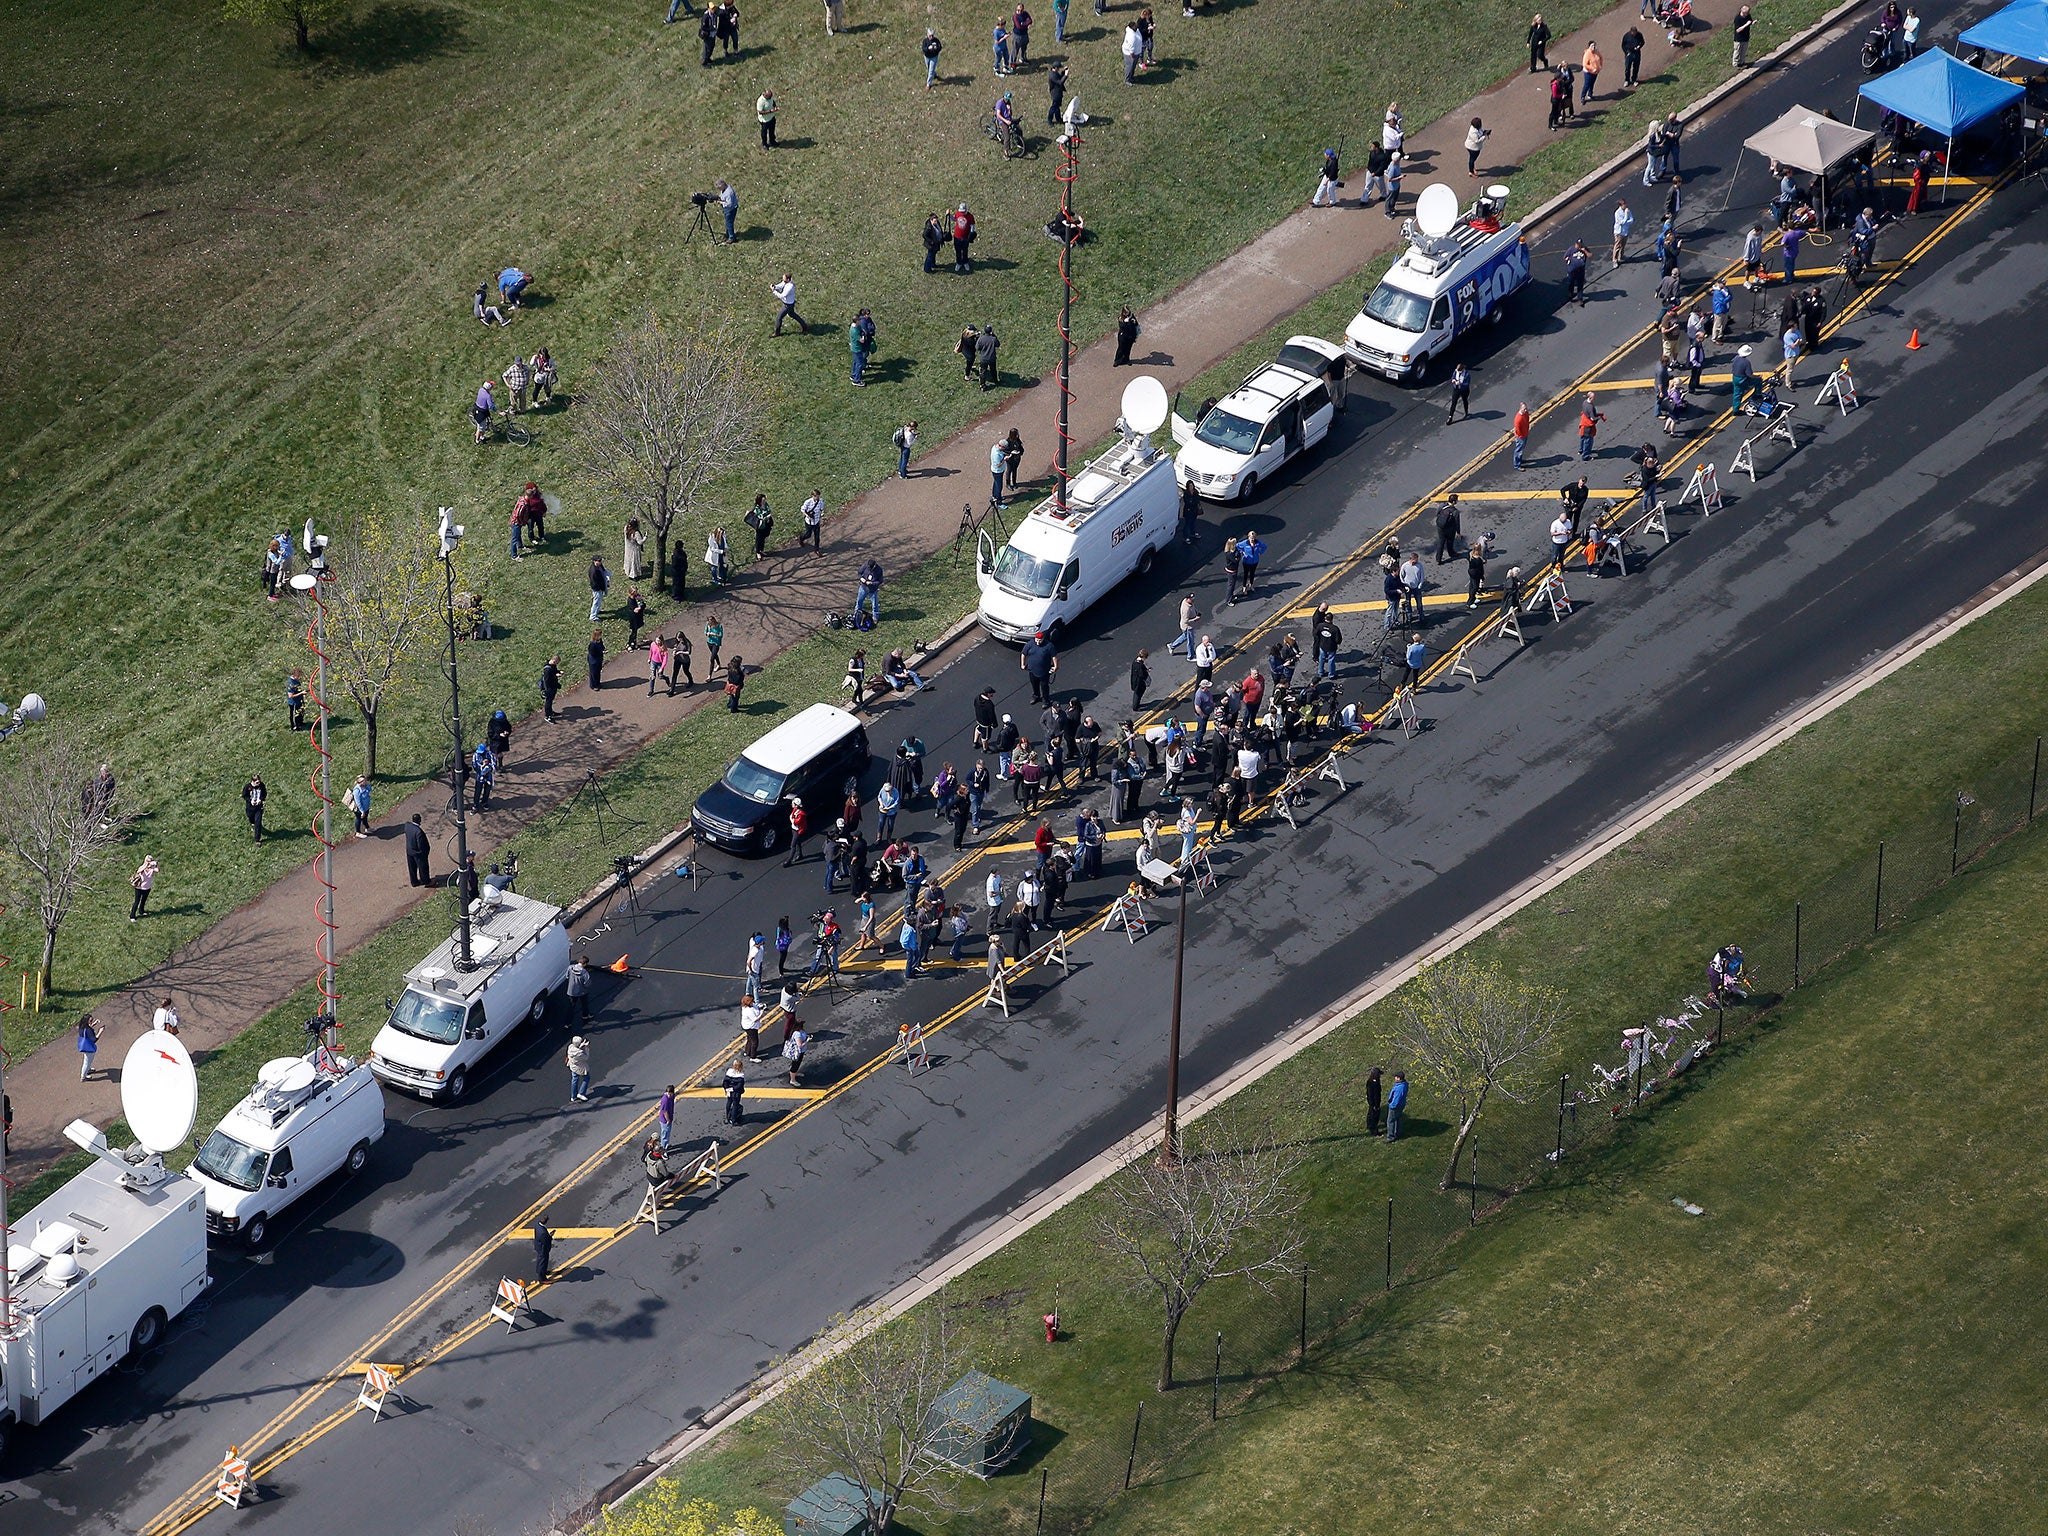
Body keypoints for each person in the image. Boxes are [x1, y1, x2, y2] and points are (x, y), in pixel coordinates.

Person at [855, 556, 884, 625]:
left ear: (874, 566)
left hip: (873, 590)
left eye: (871, 568)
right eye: (869, 567)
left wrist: (872, 583)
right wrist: (861, 578)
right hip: (863, 587)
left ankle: (875, 617)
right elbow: (859, 573)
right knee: (859, 601)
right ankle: (857, 613)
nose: (870, 569)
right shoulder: (865, 565)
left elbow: (880, 581)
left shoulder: (879, 570)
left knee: (874, 604)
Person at [565, 1035, 592, 1102]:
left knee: (574, 1079)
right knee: (587, 1078)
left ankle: (573, 1096)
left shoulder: (570, 1047)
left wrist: (581, 1046)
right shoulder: (579, 1054)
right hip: (580, 1068)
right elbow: (586, 1057)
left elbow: (577, 1049)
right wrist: (586, 1048)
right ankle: (581, 1093)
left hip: (573, 1066)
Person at [952, 203, 976, 272]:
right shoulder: (958, 213)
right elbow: (954, 218)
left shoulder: (970, 216)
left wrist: (971, 233)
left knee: (965, 251)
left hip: (966, 237)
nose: (961, 213)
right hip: (957, 237)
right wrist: (949, 215)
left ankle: (965, 262)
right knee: (958, 251)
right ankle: (959, 263)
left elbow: (972, 225)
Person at [77, 1014, 101, 1081]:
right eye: (90, 1020)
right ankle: (83, 1077)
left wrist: (94, 1024)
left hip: (84, 1046)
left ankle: (88, 1069)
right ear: (86, 1021)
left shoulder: (82, 1028)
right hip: (89, 1048)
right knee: (87, 1062)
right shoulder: (88, 1030)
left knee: (87, 1060)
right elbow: (94, 1040)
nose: (91, 1021)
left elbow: (87, 1029)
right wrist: (100, 1032)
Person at [975, 324, 1000, 390]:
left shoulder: (981, 339)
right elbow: (998, 344)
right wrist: (994, 336)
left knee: (983, 372)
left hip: (984, 359)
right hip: (992, 358)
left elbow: (977, 348)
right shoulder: (993, 339)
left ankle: (982, 386)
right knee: (993, 370)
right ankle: (996, 381)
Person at [1385, 1072, 1408, 1140]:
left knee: (1390, 1121)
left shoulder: (1399, 1088)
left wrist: (1391, 1105)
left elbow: (1396, 1100)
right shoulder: (1404, 1085)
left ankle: (1390, 1137)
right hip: (1401, 1104)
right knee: (1398, 1119)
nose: (1394, 1078)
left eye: (1396, 1077)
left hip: (1395, 1107)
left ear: (1399, 1078)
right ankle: (1398, 1133)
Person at [1612, 198, 1634, 266]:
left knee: (1623, 245)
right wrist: (1626, 215)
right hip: (1619, 232)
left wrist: (1626, 222)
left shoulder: (1628, 211)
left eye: (1626, 203)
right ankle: (1614, 260)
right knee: (1617, 246)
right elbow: (1622, 222)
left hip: (1625, 231)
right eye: (1624, 204)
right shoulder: (1617, 213)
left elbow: (1631, 220)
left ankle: (1621, 256)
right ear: (1621, 205)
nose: (1626, 205)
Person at [532, 1216, 553, 1284]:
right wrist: (550, 1236)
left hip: (538, 1246)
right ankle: (542, 1278)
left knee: (541, 1260)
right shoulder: (543, 1233)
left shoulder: (537, 1225)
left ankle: (542, 1271)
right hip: (543, 1249)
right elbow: (545, 1241)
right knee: (542, 1262)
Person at [1510, 402, 1532, 469]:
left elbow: (1527, 419)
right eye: (1524, 409)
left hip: (1525, 434)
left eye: (1526, 409)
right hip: (1521, 437)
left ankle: (1520, 460)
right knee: (1519, 450)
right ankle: (1517, 465)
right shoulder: (1518, 419)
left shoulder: (1525, 413)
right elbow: (1518, 430)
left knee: (1521, 449)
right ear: (1520, 409)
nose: (1526, 410)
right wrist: (1522, 436)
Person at [717, 179, 737, 243]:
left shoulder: (729, 193)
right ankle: (728, 233)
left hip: (731, 210)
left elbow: (729, 204)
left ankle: (731, 237)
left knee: (729, 223)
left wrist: (721, 203)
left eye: (719, 188)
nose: (719, 189)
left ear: (722, 185)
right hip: (727, 209)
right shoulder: (724, 189)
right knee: (727, 222)